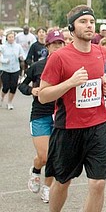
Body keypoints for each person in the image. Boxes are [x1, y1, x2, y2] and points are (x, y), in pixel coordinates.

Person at [38, 5, 106, 212]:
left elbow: (99, 80)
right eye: (83, 21)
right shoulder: (59, 57)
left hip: (98, 125)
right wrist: (70, 83)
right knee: (63, 181)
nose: (89, 25)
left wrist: (104, 86)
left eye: (92, 21)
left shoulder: (100, 52)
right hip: (68, 127)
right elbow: (43, 95)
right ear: (72, 28)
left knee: (98, 183)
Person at [19, 30, 65, 203]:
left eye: (61, 43)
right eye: (55, 44)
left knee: (55, 156)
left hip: (60, 114)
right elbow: (22, 86)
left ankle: (47, 188)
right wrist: (32, 90)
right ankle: (36, 169)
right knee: (44, 156)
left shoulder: (66, 65)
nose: (58, 47)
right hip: (40, 115)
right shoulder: (38, 66)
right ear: (47, 46)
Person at [0, 31, 25, 109]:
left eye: (12, 37)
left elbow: (23, 55)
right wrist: (4, 60)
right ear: (7, 38)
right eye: (9, 37)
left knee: (13, 87)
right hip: (5, 69)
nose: (11, 39)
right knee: (6, 87)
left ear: (14, 38)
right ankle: (2, 97)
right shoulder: (3, 47)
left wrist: (22, 57)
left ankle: (9, 102)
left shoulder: (18, 46)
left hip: (15, 69)